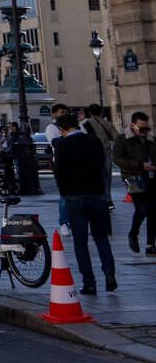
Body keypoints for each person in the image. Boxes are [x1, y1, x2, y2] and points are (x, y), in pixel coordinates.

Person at [53, 110, 117, 294]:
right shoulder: (93, 141)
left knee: (80, 242)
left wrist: (65, 192)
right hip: (96, 193)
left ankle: (89, 282)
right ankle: (109, 273)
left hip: (74, 195)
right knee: (101, 237)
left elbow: (59, 172)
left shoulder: (63, 145)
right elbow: (101, 165)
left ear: (62, 129)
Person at [113, 111, 154, 257]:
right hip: (132, 178)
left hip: (150, 178)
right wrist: (140, 165)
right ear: (133, 126)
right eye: (141, 129)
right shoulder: (123, 139)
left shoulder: (150, 139)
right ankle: (133, 234)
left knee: (152, 211)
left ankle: (150, 245)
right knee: (143, 209)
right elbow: (117, 159)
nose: (144, 132)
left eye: (146, 128)